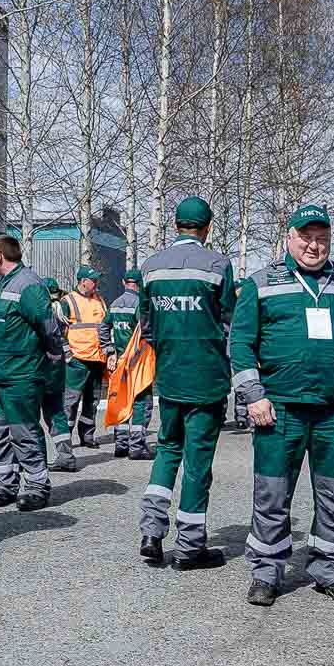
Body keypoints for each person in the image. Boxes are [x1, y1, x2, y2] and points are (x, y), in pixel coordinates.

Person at [231, 204, 334, 608]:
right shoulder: (262, 283)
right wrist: (254, 396)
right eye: (306, 237)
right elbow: (240, 343)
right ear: (290, 238)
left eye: (321, 238)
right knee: (272, 493)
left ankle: (329, 568)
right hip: (278, 411)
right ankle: (266, 571)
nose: (314, 245)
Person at [135, 196, 238, 570]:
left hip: (170, 376)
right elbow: (231, 324)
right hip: (207, 379)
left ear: (175, 225)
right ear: (207, 227)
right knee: (197, 462)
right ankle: (190, 546)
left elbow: (146, 326)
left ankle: (151, 532)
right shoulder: (217, 266)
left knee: (166, 450)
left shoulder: (150, 268)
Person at [0, 235, 66, 513]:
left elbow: (48, 326)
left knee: (24, 432)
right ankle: (6, 484)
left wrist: (53, 355)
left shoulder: (28, 284)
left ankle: (36, 486)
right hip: (0, 374)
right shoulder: (4, 283)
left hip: (21, 375)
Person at [56, 268, 109, 466]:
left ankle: (87, 436)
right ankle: (65, 438)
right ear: (83, 280)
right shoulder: (67, 301)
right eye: (93, 280)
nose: (96, 283)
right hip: (76, 360)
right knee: (70, 402)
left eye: (97, 280)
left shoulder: (100, 300)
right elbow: (57, 330)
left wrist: (108, 351)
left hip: (96, 359)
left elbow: (105, 327)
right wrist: (67, 354)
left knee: (92, 401)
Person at [102, 268, 154, 460]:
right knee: (141, 402)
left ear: (124, 283)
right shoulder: (140, 304)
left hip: (119, 360)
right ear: (140, 284)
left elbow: (103, 327)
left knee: (121, 400)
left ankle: (121, 444)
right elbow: (147, 332)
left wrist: (109, 350)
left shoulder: (114, 304)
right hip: (138, 362)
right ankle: (137, 446)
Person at [41, 274, 74, 469]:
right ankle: (66, 456)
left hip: (41, 367)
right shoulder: (61, 308)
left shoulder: (44, 311)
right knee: (56, 412)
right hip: (58, 367)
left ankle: (34, 461)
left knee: (29, 415)